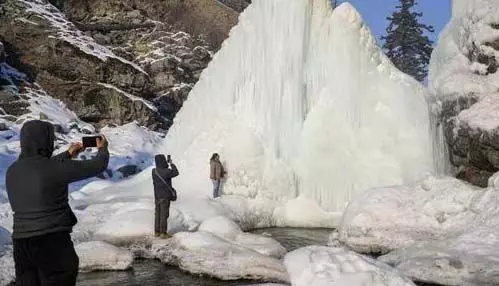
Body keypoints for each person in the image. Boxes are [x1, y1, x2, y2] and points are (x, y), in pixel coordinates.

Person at [6, 120, 109, 286]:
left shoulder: (13, 170)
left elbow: (41, 168)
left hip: (21, 245)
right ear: (47, 142)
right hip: (52, 243)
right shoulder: (54, 169)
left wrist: (67, 154)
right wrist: (103, 149)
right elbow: (98, 165)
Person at [152, 154, 179, 239]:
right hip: (165, 197)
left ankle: (157, 232)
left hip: (157, 196)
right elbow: (176, 172)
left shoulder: (154, 171)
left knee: (158, 214)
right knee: (164, 215)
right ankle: (163, 233)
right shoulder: (166, 171)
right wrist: (171, 163)